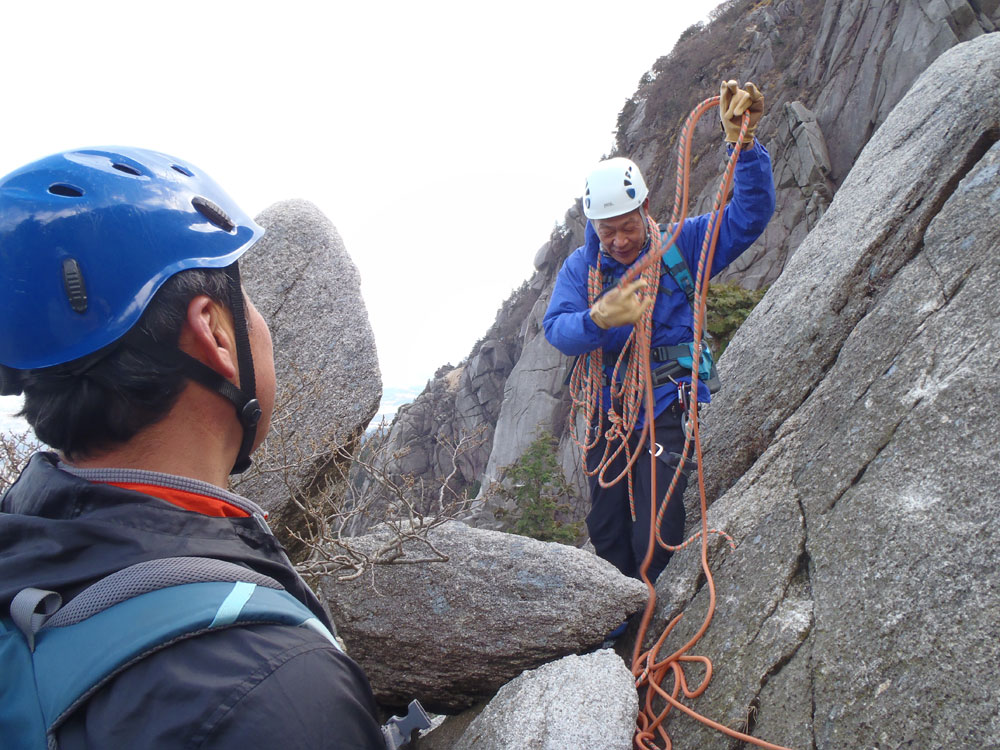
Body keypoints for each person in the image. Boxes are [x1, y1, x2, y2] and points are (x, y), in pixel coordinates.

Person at [0, 147, 386, 748]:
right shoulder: (277, 693)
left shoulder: (21, 555)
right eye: (247, 297)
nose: (262, 322)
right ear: (214, 334)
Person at [544, 81, 776, 585]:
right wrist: (598, 320)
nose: (620, 241)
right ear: (592, 226)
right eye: (608, 231)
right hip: (608, 412)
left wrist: (744, 147)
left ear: (646, 206)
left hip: (667, 404)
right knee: (606, 532)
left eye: (628, 226)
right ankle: (619, 621)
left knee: (655, 533)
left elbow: (748, 216)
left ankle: (652, 612)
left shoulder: (682, 244)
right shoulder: (581, 269)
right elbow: (556, 329)